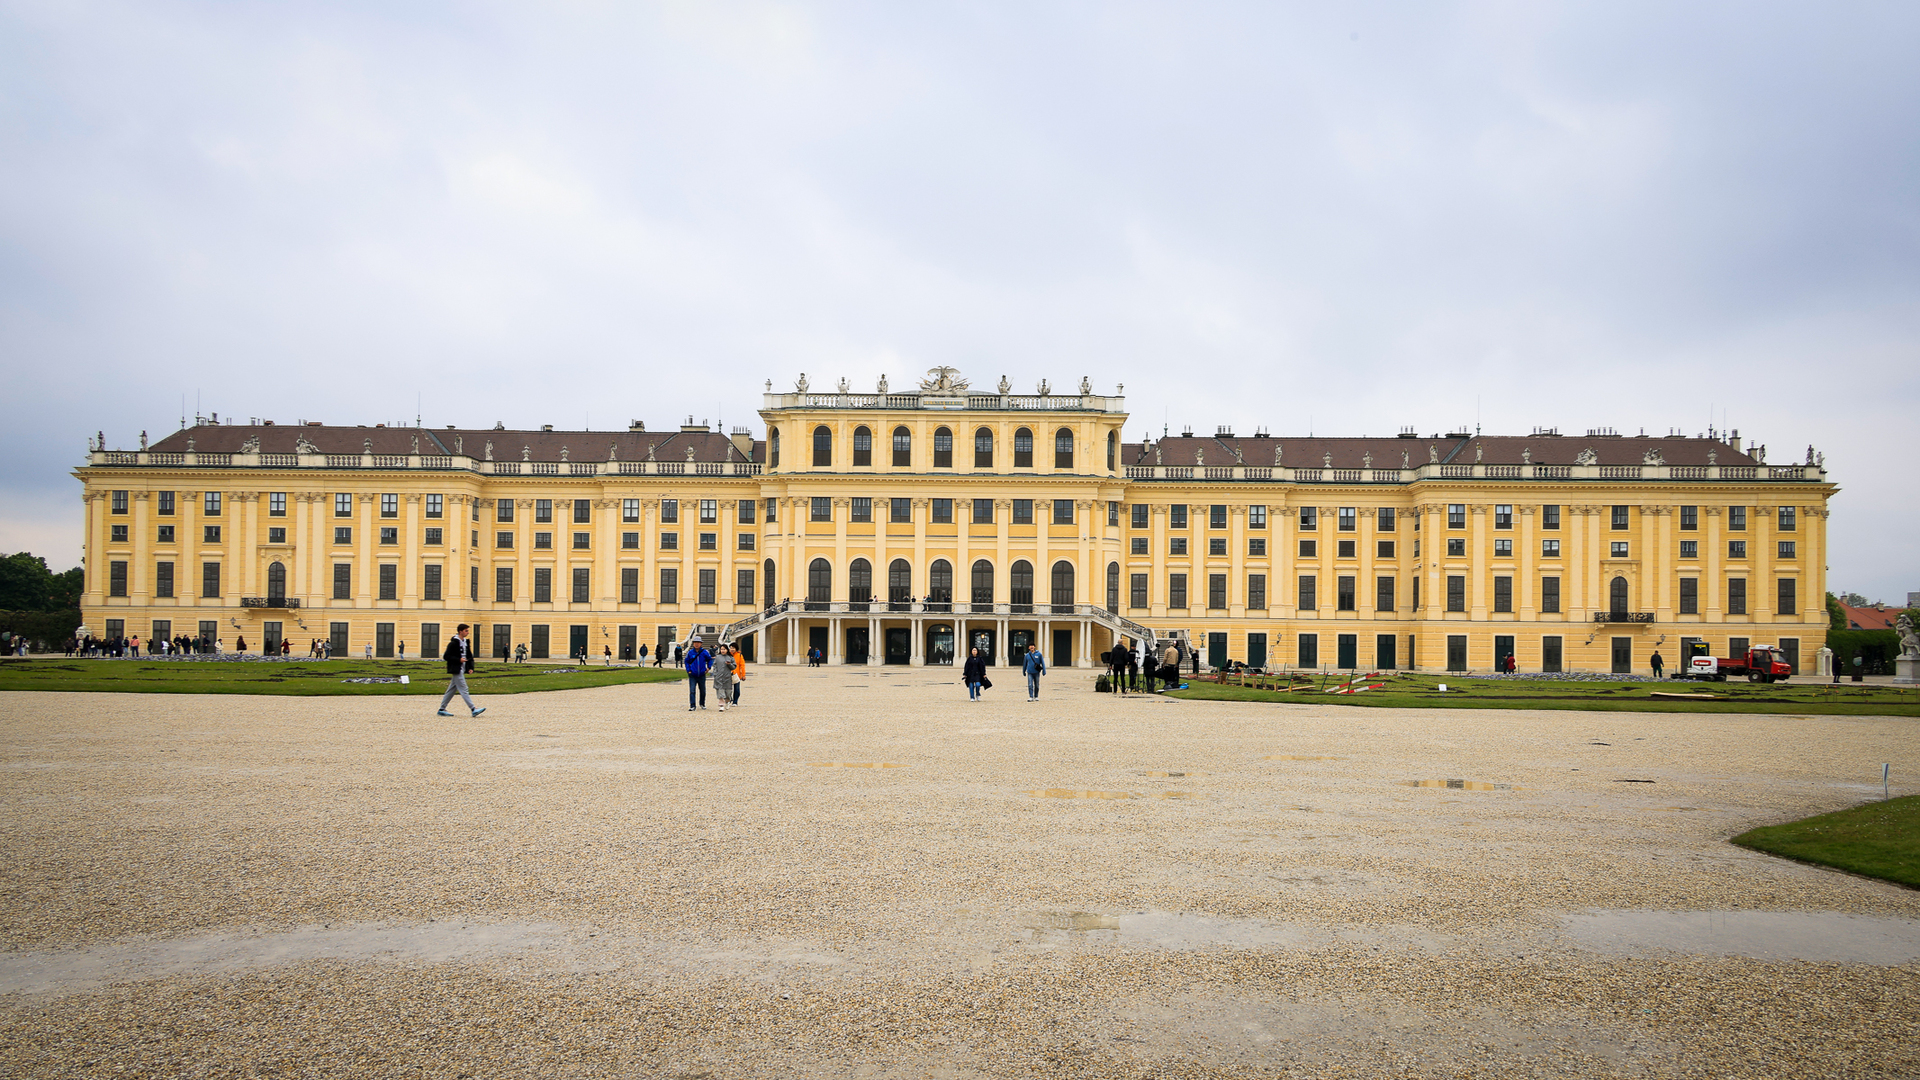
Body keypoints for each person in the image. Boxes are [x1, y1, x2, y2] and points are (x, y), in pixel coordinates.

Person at [437, 623, 486, 718]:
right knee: (464, 689)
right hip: (456, 668)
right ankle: (473, 708)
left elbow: (469, 656)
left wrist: (470, 667)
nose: (467, 632)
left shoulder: (466, 642)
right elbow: (446, 656)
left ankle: (442, 709)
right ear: (460, 631)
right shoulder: (453, 643)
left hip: (462, 668)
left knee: (451, 690)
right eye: (466, 631)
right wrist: (458, 660)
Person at [684, 636, 712, 710]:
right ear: (693, 644)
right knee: (692, 690)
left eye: (698, 643)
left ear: (701, 644)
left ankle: (702, 703)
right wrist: (688, 670)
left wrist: (709, 667)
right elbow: (686, 661)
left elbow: (709, 659)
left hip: (702, 674)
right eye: (695, 643)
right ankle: (692, 705)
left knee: (702, 690)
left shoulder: (704, 652)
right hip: (693, 674)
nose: (696, 644)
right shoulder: (690, 652)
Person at [711, 644, 735, 712]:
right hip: (719, 678)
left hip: (727, 678)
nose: (723, 651)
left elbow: (734, 666)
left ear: (727, 650)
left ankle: (727, 702)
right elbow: (715, 666)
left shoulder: (730, 657)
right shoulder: (717, 657)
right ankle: (721, 705)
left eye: (724, 649)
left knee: (728, 692)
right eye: (721, 649)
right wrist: (715, 674)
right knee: (720, 691)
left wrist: (729, 664)